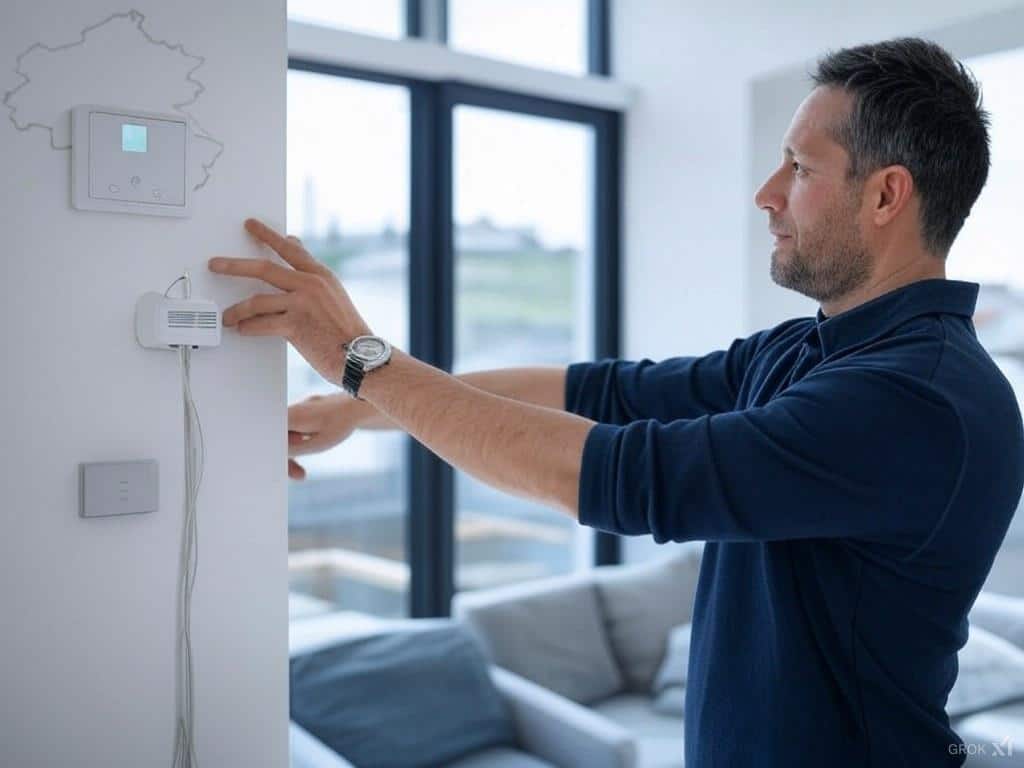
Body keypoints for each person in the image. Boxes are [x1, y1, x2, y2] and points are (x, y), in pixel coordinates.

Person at [209, 36, 1023, 768]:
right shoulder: (809, 350)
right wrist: (363, 408)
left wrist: (360, 360)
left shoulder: (911, 401)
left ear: (886, 196)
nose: (767, 193)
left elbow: (607, 475)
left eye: (801, 169)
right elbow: (597, 393)